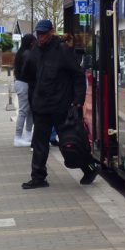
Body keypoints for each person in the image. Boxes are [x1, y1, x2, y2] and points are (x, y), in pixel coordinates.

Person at [20, 18, 93, 189]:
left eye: (44, 33)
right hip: (42, 106)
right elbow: (27, 75)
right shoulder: (35, 51)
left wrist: (78, 101)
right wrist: (35, 94)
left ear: (51, 32)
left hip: (61, 105)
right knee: (39, 143)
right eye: (38, 33)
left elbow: (78, 75)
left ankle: (90, 168)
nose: (41, 36)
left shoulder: (63, 50)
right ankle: (38, 177)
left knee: (70, 141)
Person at [13, 33, 35, 146]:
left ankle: (27, 135)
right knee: (23, 111)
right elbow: (27, 69)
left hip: (21, 82)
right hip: (24, 83)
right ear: (31, 43)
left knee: (29, 110)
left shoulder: (21, 52)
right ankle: (18, 137)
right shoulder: (27, 53)